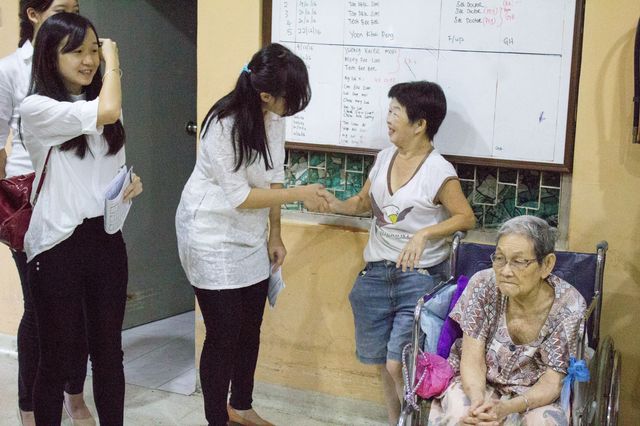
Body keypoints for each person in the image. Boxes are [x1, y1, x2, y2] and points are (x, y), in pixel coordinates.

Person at [175, 43, 327, 426]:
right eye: (290, 97)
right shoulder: (222, 124)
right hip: (209, 236)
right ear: (265, 94)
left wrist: (275, 235)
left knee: (249, 330)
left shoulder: (273, 117)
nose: (293, 106)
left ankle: (241, 406)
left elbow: (273, 178)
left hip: (249, 234)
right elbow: (241, 197)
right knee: (223, 334)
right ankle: (216, 419)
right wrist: (301, 195)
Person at [318, 81, 476, 425]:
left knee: (399, 363)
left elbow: (466, 217)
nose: (388, 118)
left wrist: (425, 233)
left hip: (418, 279)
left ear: (420, 124)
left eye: (395, 112)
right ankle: (396, 421)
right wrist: (337, 204)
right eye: (389, 110)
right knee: (382, 363)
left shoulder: (439, 170)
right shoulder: (384, 157)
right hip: (375, 275)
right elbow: (364, 202)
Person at [19, 12, 142, 425]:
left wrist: (128, 186)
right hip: (57, 245)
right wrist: (114, 60)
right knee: (56, 356)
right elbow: (106, 111)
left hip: (105, 240)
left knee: (109, 353)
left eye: (94, 50)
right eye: (76, 52)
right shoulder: (37, 108)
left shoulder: (107, 104)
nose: (89, 61)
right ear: (49, 57)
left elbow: (108, 168)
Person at [0, 1, 95, 425]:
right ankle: (30, 405)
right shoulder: (11, 69)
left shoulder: (82, 63)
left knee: (79, 306)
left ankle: (74, 393)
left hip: (75, 194)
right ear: (33, 14)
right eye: (60, 8)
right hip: (29, 195)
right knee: (39, 310)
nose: (70, 14)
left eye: (76, 7)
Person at [429, 215, 586, 425]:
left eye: (519, 262)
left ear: (547, 264)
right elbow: (472, 360)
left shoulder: (569, 307)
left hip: (534, 392)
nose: (505, 271)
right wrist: (478, 405)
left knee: (544, 422)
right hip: (479, 382)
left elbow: (551, 382)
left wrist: (507, 408)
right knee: (462, 415)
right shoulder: (483, 284)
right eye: (500, 258)